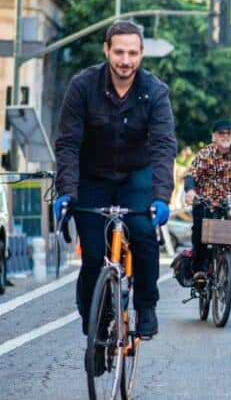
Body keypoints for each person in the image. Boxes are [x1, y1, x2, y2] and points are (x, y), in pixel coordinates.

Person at [54, 20, 177, 340]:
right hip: (91, 176)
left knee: (144, 234)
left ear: (141, 53)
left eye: (132, 53)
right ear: (106, 50)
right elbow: (68, 143)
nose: (126, 60)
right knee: (93, 256)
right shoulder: (83, 86)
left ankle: (146, 305)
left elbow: (163, 147)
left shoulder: (155, 91)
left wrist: (161, 197)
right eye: (119, 52)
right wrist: (66, 191)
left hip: (136, 175)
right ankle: (94, 314)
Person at [184, 120, 231, 284]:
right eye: (221, 133)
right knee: (199, 229)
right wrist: (190, 191)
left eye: (228, 133)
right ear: (213, 136)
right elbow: (191, 175)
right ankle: (199, 268)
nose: (225, 136)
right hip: (207, 201)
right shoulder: (205, 153)